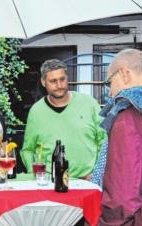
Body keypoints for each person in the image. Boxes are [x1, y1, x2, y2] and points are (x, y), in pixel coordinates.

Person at [20, 59, 107, 179]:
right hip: (50, 182)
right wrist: (36, 174)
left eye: (62, 79)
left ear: (67, 78)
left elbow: (104, 142)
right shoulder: (36, 111)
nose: (59, 85)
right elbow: (28, 150)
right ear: (43, 82)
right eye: (53, 81)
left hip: (87, 181)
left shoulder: (89, 103)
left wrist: (97, 174)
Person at [99, 48, 142, 226]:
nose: (110, 92)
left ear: (124, 74)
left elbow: (123, 193)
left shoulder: (127, 115)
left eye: (110, 82)